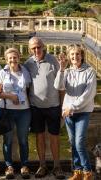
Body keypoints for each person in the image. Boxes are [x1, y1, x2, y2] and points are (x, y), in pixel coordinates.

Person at [24, 37, 65, 179]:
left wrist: (62, 105)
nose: (36, 50)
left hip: (53, 106)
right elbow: (25, 87)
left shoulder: (53, 61)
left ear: (43, 47)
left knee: (55, 137)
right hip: (36, 107)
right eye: (33, 48)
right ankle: (42, 166)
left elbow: (61, 86)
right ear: (30, 49)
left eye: (38, 47)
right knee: (39, 136)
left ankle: (57, 166)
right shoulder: (28, 64)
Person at [54, 44, 96, 180]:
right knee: (73, 143)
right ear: (68, 56)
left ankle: (87, 171)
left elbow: (89, 94)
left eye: (77, 54)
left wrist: (72, 106)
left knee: (79, 142)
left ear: (82, 55)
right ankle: (77, 172)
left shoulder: (89, 71)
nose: (75, 57)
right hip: (68, 112)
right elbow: (58, 86)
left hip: (82, 111)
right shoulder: (67, 71)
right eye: (72, 54)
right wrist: (61, 69)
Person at [0, 48, 31, 179]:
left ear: (19, 57)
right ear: (6, 59)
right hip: (7, 111)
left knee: (23, 140)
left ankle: (24, 165)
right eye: (10, 58)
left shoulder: (25, 72)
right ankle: (9, 166)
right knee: (7, 140)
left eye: (15, 57)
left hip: (24, 111)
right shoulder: (2, 72)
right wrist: (10, 96)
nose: (12, 60)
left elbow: (30, 90)